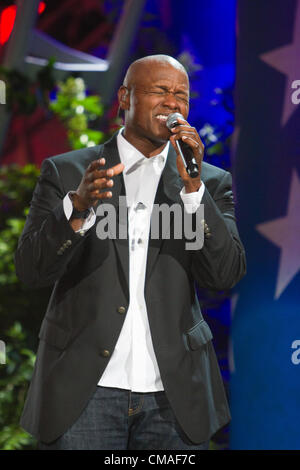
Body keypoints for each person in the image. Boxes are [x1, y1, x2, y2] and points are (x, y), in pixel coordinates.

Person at [15, 54, 246, 450]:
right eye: (161, 91)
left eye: (182, 96)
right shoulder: (70, 172)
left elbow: (224, 275)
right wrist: (78, 208)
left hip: (173, 393)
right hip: (84, 390)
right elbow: (31, 270)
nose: (173, 104)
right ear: (125, 96)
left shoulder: (208, 182)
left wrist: (194, 194)